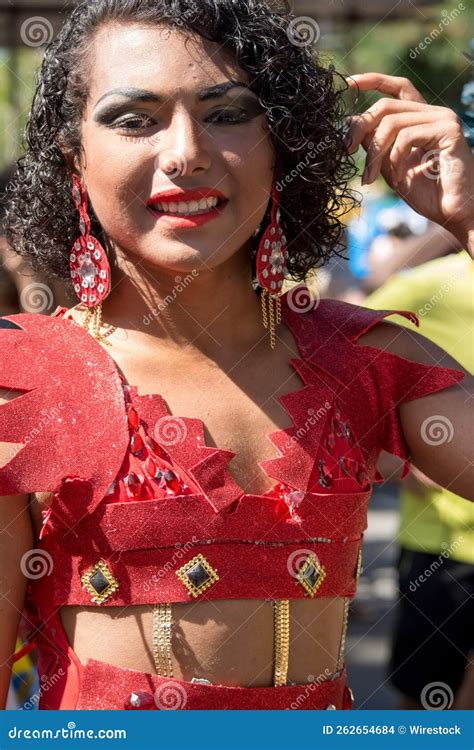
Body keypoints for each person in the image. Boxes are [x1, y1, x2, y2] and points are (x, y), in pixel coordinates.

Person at [0, 0, 472, 711]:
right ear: (76, 155)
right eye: (136, 119)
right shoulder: (21, 380)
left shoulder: (370, 359)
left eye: (227, 113)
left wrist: (469, 220)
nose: (186, 151)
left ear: (281, 143)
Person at [365, 250, 474, 709]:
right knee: (429, 704)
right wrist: (396, 462)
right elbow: (331, 363)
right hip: (442, 550)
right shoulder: (428, 286)